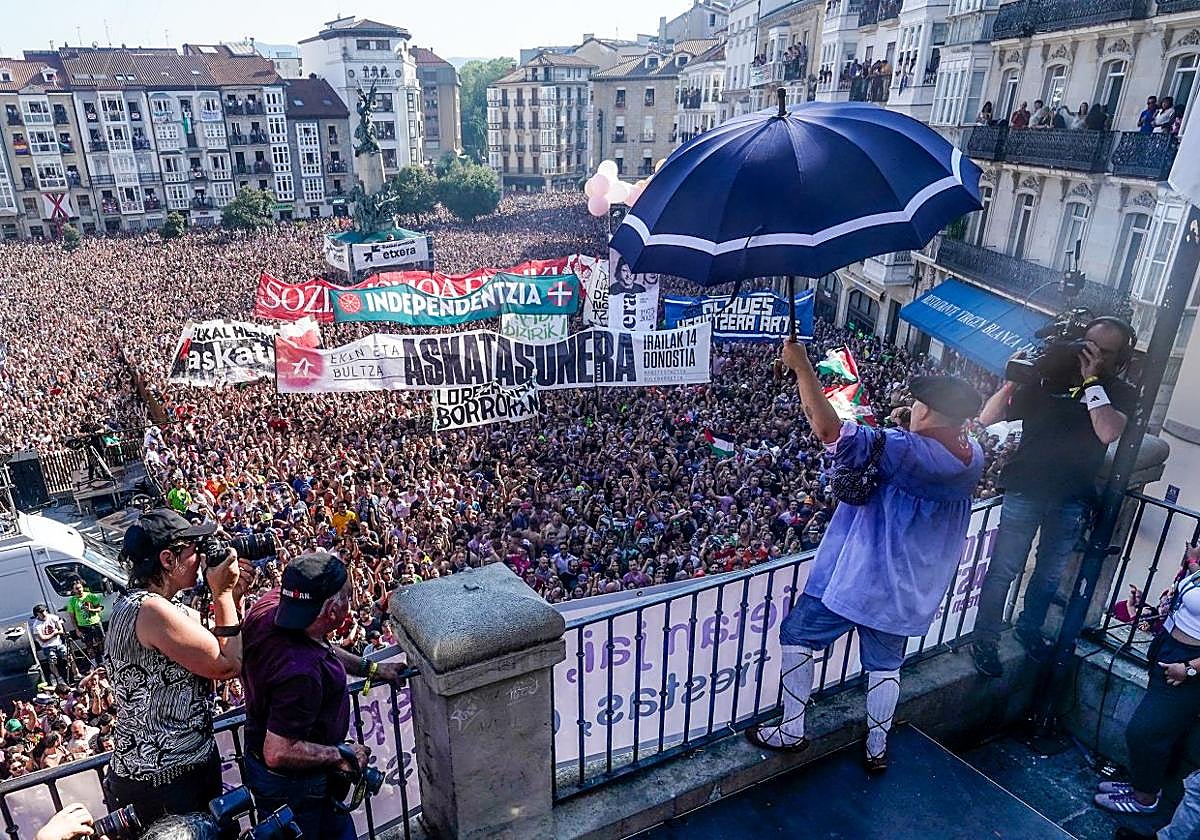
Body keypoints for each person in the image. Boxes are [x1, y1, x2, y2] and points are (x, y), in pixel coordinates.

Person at [746, 339, 983, 770]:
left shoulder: (903, 448)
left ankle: (792, 728)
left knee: (798, 635)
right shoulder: (973, 456)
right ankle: (877, 746)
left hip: (857, 575)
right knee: (886, 665)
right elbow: (925, 459)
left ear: (925, 410)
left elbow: (828, 431)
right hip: (909, 587)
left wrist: (802, 369)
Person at [971, 318, 1138, 677]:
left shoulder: (1120, 391)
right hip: (1026, 486)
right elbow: (988, 417)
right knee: (1004, 570)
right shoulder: (1048, 376)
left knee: (1048, 575)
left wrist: (1092, 380)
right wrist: (1014, 378)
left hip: (1072, 495)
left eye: (1105, 352)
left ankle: (1029, 628)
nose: (1094, 354)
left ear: (1119, 357)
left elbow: (1108, 432)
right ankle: (985, 639)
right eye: (1089, 345)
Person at [240, 552, 412, 840]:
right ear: (332, 611)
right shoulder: (302, 673)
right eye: (348, 596)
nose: (353, 602)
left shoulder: (270, 608)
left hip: (274, 774)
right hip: (297, 788)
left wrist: (370, 668)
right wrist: (340, 755)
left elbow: (320, 644)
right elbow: (278, 750)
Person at [104, 508, 244, 823]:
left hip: (179, 771)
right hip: (163, 784)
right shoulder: (150, 610)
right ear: (168, 560)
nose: (202, 559)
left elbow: (224, 642)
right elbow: (226, 665)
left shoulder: (162, 605)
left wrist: (232, 596)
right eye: (195, 551)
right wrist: (221, 594)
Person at [1094, 541, 1200, 815]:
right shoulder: (1197, 566)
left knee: (1145, 732)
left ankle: (1145, 798)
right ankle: (1141, 785)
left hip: (1188, 666)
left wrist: (1190, 668)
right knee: (1155, 731)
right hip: (1170, 649)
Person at [29, 604, 74, 683]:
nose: (43, 613)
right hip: (47, 646)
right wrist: (54, 633)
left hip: (58, 643)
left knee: (68, 656)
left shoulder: (53, 617)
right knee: (52, 662)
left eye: (44, 611)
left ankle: (76, 673)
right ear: (37, 614)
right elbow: (43, 639)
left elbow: (61, 630)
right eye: (40, 612)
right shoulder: (36, 625)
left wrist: (55, 633)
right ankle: (59, 678)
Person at [64, 579, 105, 665]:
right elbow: (72, 617)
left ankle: (104, 660)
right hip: (84, 626)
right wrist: (77, 630)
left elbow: (100, 608)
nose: (79, 590)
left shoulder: (91, 596)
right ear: (73, 590)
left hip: (95, 623)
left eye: (80, 587)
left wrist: (91, 609)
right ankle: (94, 663)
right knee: (89, 646)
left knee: (101, 642)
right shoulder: (72, 601)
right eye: (76, 589)